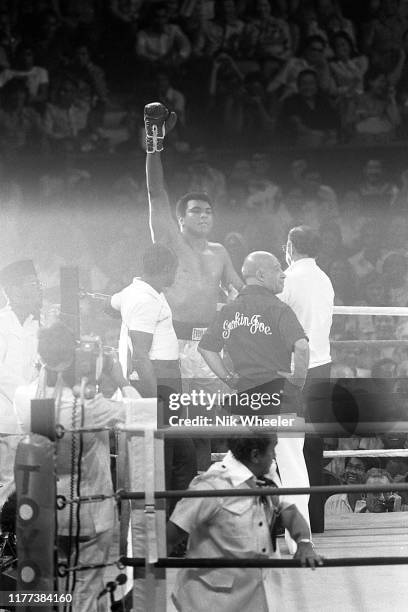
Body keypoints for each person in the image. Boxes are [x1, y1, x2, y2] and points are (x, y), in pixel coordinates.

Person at [144, 101, 243, 469]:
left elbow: (239, 290)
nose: (203, 215)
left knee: (208, 424)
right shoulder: (169, 239)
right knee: (173, 425)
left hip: (206, 345)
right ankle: (177, 495)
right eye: (196, 211)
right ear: (181, 218)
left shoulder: (219, 252)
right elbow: (156, 192)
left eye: (208, 211)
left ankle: (205, 493)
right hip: (171, 341)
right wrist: (154, 144)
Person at [13, 321, 138, 612]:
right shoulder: (92, 407)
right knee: (85, 594)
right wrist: (119, 378)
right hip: (91, 515)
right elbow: (144, 412)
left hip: (46, 513)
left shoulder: (25, 397)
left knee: (51, 592)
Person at [198, 250, 311, 550]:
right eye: (277, 269)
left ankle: (238, 539)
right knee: (292, 470)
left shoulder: (230, 310)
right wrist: (297, 381)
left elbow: (207, 349)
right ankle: (301, 543)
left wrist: (231, 380)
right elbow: (301, 346)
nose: (283, 274)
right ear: (261, 274)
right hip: (280, 399)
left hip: (247, 399)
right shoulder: (278, 309)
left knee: (243, 470)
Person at [167, 434, 323, 612]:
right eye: (272, 451)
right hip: (212, 602)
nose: (275, 457)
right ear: (256, 455)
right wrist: (143, 578)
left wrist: (303, 542)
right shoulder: (211, 486)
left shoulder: (266, 477)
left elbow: (288, 511)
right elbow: (170, 535)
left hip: (259, 596)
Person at [110, 243, 197, 510]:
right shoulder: (144, 300)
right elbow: (140, 356)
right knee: (169, 459)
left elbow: (110, 303)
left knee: (180, 455)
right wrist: (152, 403)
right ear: (166, 269)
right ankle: (168, 529)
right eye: (176, 270)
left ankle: (173, 529)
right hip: (157, 384)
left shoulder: (137, 292)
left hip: (163, 383)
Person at [279, 225, 334, 534]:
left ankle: (290, 521)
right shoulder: (325, 279)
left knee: (287, 445)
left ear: (290, 246)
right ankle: (316, 519)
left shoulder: (288, 280)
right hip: (321, 366)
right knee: (312, 444)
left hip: (294, 369)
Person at [0, 259, 42, 511]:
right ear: (13, 290)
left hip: (35, 417)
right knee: (8, 484)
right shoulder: (2, 324)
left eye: (38, 283)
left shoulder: (37, 324)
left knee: (33, 483)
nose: (38, 290)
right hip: (8, 419)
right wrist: (29, 398)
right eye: (31, 284)